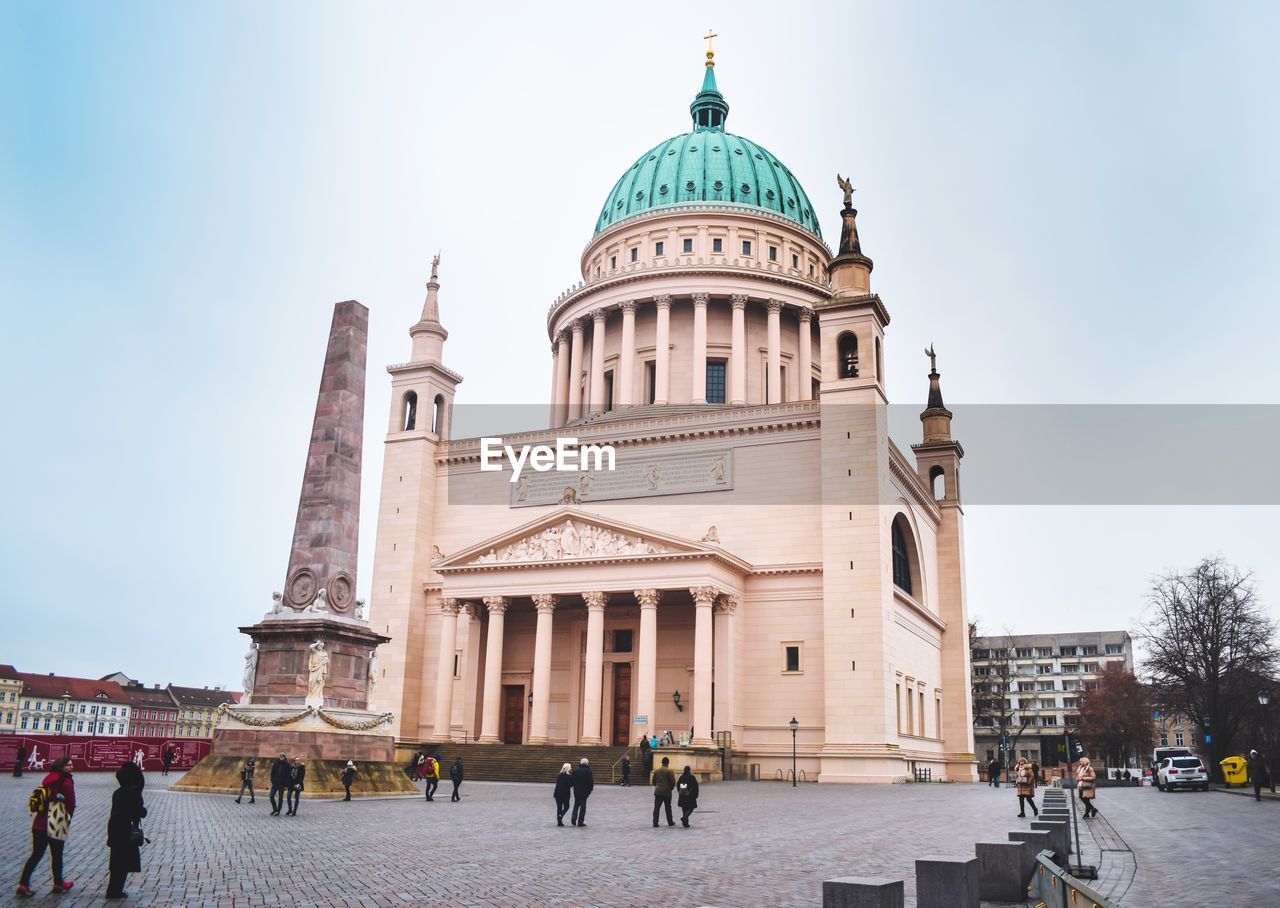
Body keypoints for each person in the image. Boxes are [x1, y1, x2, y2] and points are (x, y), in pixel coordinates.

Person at [16, 756, 76, 897]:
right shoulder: (66, 781)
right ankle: (58, 883)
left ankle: (23, 884)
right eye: (69, 765)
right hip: (56, 823)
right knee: (57, 855)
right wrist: (68, 817)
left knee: (36, 855)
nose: (72, 767)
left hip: (39, 824)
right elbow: (71, 803)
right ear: (62, 767)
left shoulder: (49, 778)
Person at [105, 761, 147, 900]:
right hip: (126, 829)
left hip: (115, 828)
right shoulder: (134, 791)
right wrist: (143, 810)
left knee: (116, 861)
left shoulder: (117, 792)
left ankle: (112, 889)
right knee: (123, 863)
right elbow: (139, 811)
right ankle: (116, 891)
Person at [652, 756, 676, 827]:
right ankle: (670, 822)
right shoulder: (670, 771)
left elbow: (653, 781)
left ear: (662, 762)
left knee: (656, 808)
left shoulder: (657, 770)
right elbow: (672, 782)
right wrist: (670, 788)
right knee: (668, 808)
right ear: (668, 763)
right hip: (667, 792)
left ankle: (655, 822)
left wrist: (657, 786)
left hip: (658, 791)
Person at [570, 757, 594, 827]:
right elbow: (591, 783)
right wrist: (589, 791)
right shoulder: (588, 771)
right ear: (587, 763)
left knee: (576, 804)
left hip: (576, 791)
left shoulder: (576, 770)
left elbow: (572, 781)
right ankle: (580, 822)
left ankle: (573, 818)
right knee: (583, 807)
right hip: (585, 792)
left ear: (580, 763)